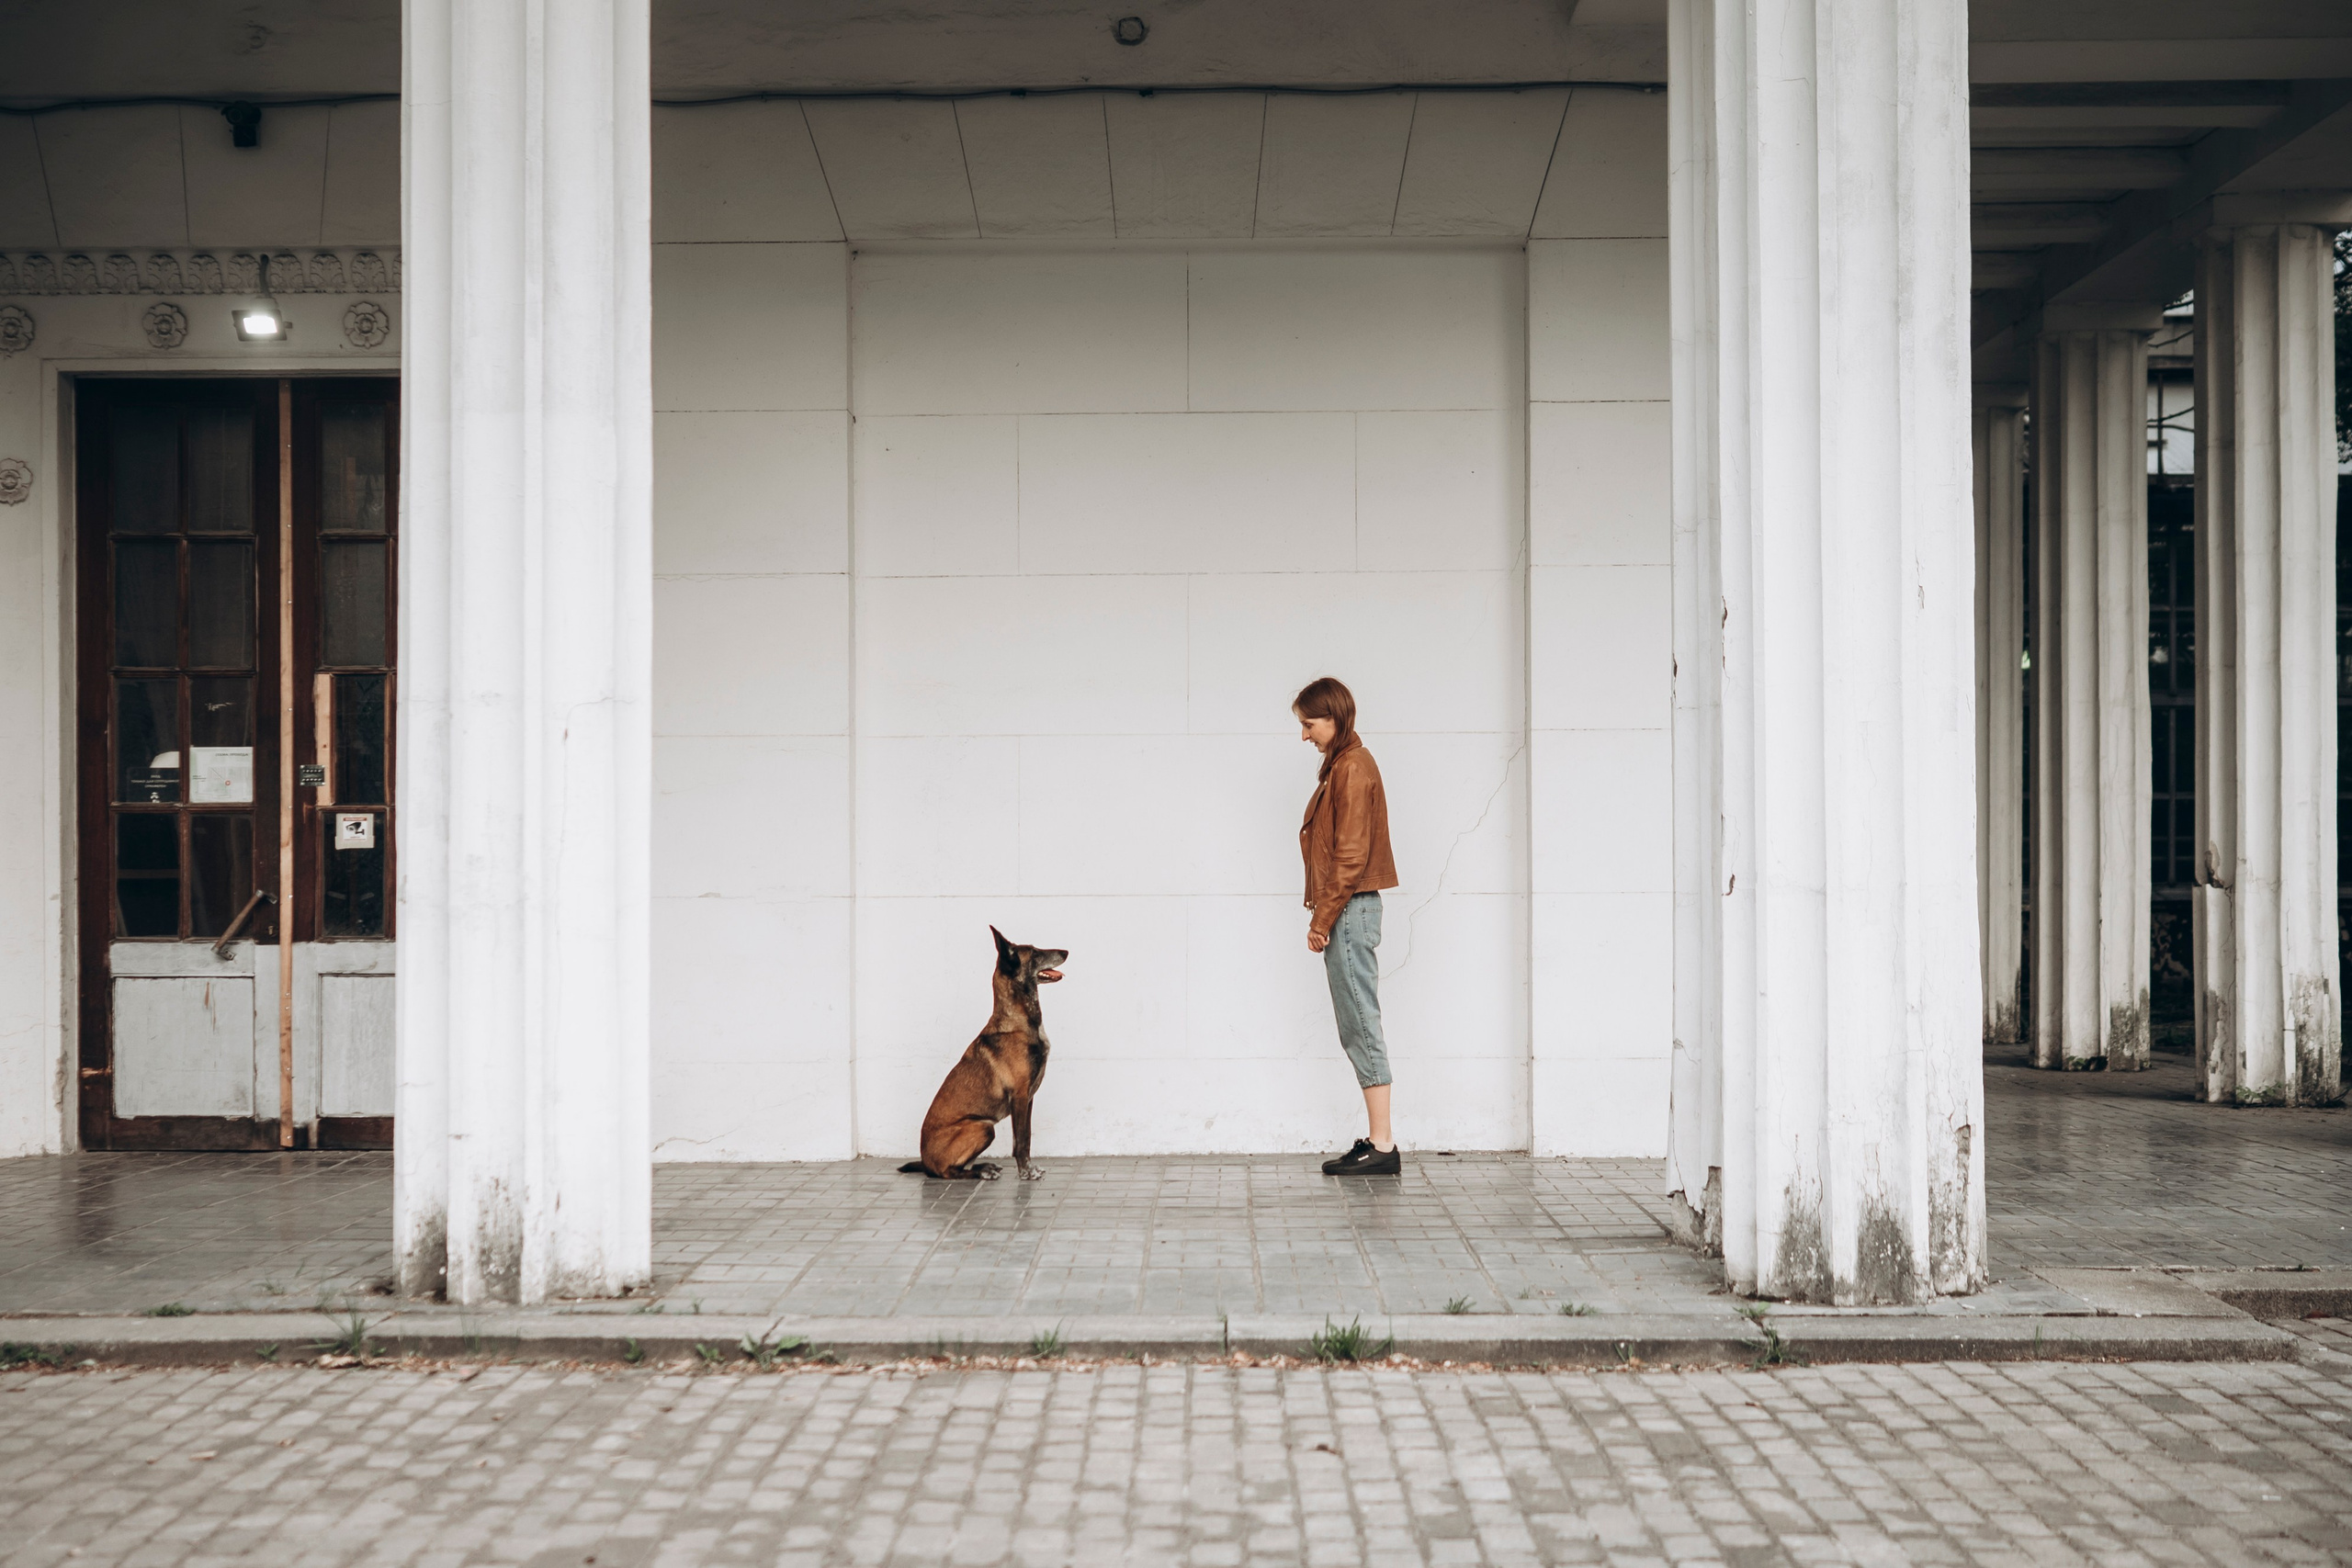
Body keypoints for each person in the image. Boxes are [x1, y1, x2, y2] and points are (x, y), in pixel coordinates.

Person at [1294, 676, 1401, 1176]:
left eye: (1309, 724)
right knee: (1355, 1022)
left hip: (1350, 910)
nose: (1305, 735)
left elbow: (1351, 855)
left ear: (1334, 718)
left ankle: (1382, 1145)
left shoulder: (1353, 768)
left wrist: (1323, 919)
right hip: (1349, 910)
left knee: (1360, 1020)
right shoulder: (1343, 766)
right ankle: (1379, 1140)